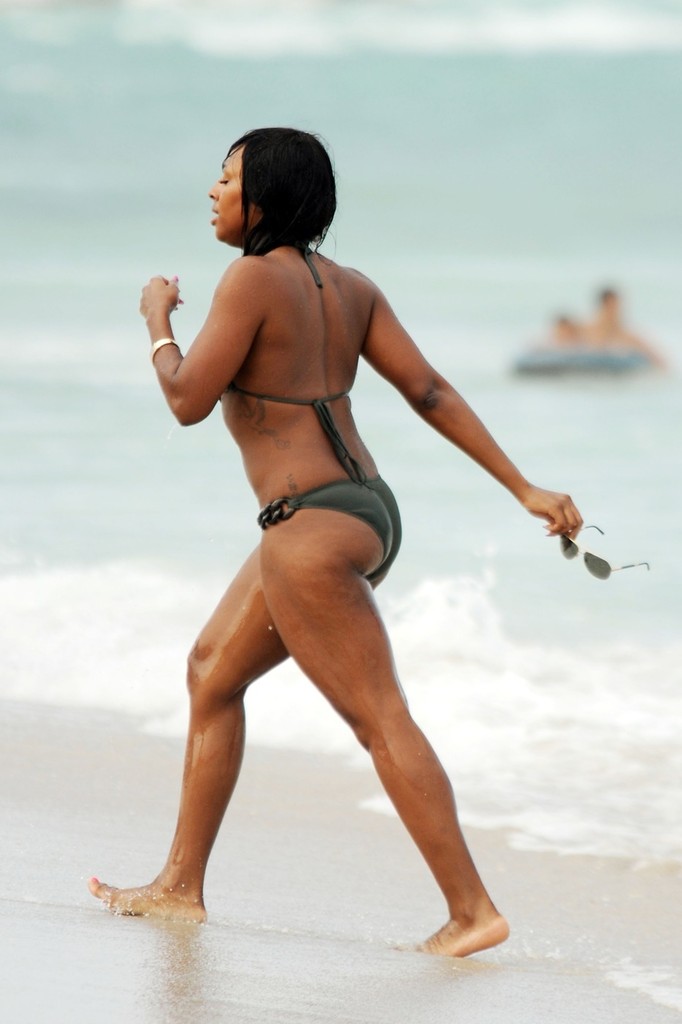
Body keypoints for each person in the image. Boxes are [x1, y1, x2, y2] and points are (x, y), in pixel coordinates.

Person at [88, 127, 583, 957]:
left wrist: (157, 322)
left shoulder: (250, 279)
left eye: (227, 178)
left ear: (264, 199)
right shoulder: (353, 288)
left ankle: (472, 912)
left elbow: (187, 400)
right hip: (365, 511)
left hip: (307, 530)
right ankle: (178, 886)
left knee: (379, 718)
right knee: (212, 671)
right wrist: (523, 486)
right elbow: (429, 391)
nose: (213, 191)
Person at [582, 286, 667, 367]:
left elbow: (657, 358)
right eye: (611, 307)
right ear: (602, 307)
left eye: (616, 307)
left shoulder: (626, 336)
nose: (614, 312)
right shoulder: (585, 330)